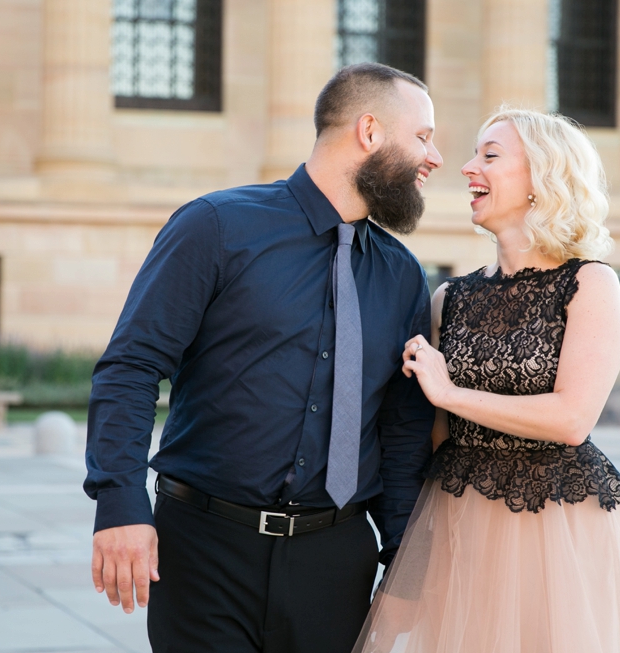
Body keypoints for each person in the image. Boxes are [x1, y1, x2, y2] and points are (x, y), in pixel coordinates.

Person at [83, 62, 443, 653]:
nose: (433, 158)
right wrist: (119, 504)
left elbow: (400, 431)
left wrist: (402, 559)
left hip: (335, 562)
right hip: (204, 551)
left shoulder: (401, 273)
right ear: (370, 131)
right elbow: (131, 365)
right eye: (423, 137)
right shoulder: (216, 226)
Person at [353, 108, 620, 653]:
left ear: (541, 178)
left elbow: (571, 419)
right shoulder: (449, 299)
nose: (465, 168)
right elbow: (434, 435)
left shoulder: (590, 283)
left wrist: (450, 392)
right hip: (458, 513)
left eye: (489, 155)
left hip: (557, 526)